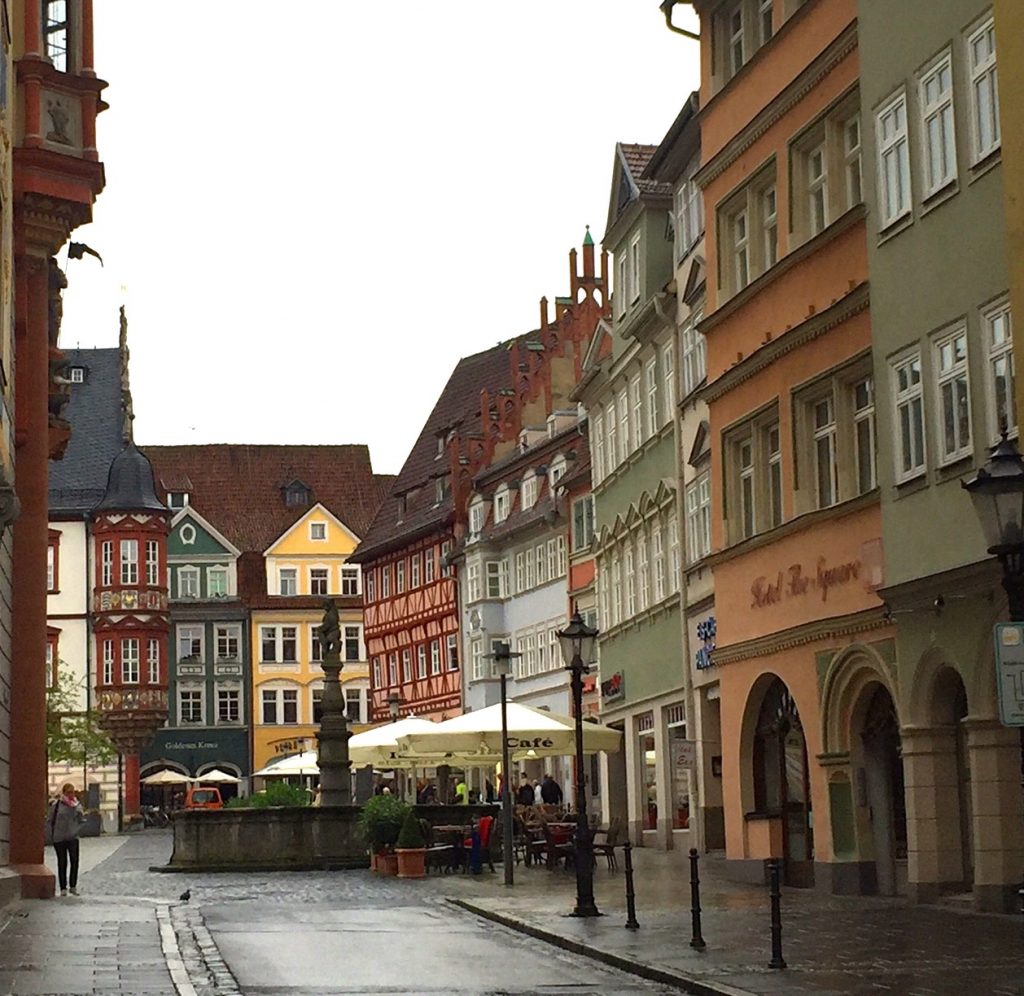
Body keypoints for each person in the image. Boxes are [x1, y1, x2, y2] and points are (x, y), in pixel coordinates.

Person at [49, 783, 86, 896]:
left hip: (73, 837)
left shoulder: (77, 805)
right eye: (69, 792)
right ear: (64, 792)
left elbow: (81, 820)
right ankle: (63, 888)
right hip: (59, 838)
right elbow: (51, 820)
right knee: (62, 862)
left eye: (72, 792)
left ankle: (73, 886)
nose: (71, 794)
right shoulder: (57, 805)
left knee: (74, 861)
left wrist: (77, 827)